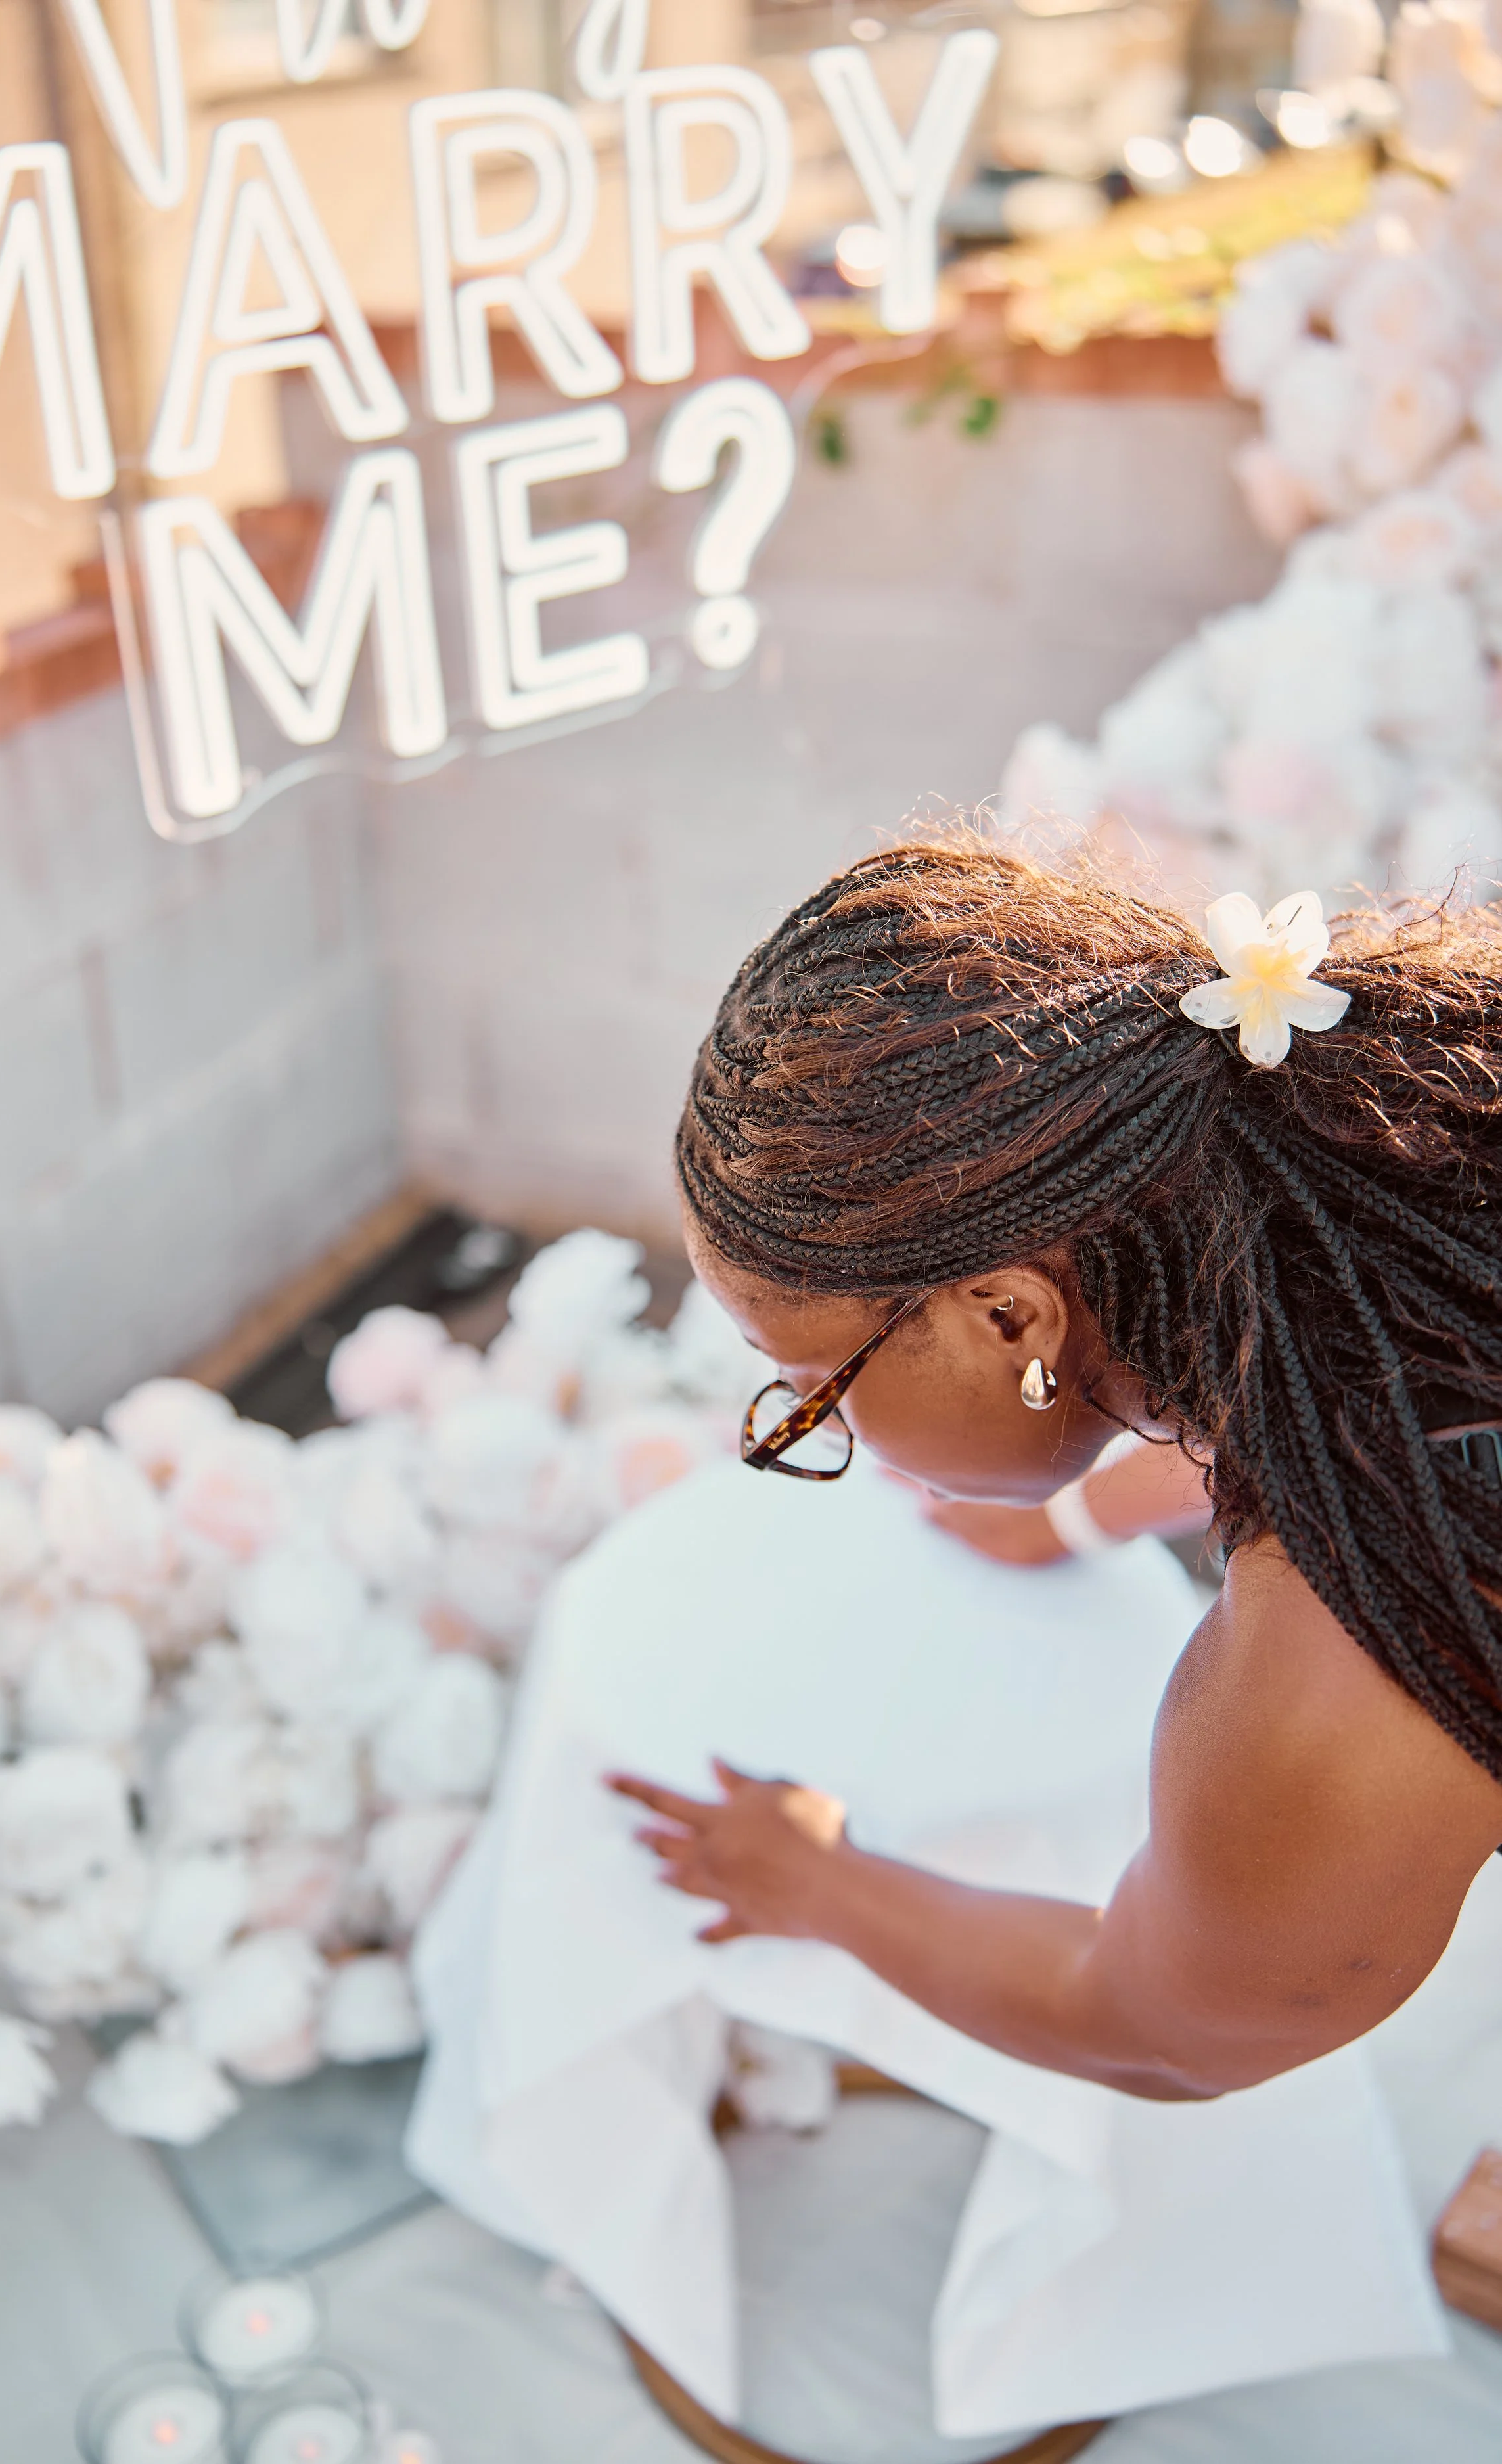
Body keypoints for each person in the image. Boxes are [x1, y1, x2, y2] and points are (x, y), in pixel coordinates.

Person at [611, 833, 1502, 2104]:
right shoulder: (1406, 1133)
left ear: (1012, 1316)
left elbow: (1151, 2024)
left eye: (817, 1392)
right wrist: (1091, 1502)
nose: (830, 1433)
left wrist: (819, 1880)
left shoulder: (1339, 1691)